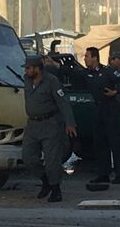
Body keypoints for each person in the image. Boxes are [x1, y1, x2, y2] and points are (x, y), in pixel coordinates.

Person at [45, 47, 120, 184]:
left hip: (111, 110)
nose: (85, 59)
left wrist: (115, 92)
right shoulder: (86, 73)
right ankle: (103, 174)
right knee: (100, 144)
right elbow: (72, 73)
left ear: (95, 57)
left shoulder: (107, 71)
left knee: (115, 143)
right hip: (98, 110)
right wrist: (55, 65)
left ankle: (119, 174)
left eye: (87, 56)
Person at [22, 56, 77, 203]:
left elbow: (63, 102)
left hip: (50, 124)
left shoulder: (51, 81)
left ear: (37, 69)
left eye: (28, 68)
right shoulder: (26, 80)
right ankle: (45, 180)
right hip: (33, 125)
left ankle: (55, 189)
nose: (26, 71)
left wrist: (69, 123)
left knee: (52, 159)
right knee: (28, 157)